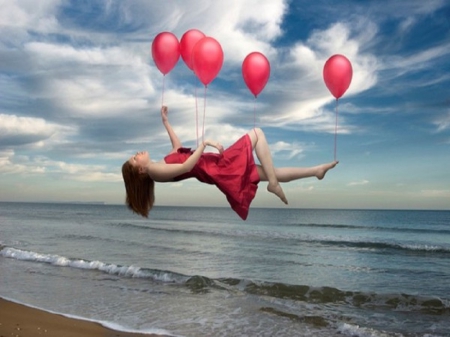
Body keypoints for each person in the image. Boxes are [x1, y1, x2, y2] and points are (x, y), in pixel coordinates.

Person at [122, 106, 338, 220]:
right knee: (257, 133)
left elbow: (178, 148)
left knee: (272, 171)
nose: (138, 153)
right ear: (140, 171)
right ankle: (274, 184)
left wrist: (166, 122)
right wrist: (204, 143)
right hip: (217, 168)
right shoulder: (154, 171)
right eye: (135, 158)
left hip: (216, 166)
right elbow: (187, 166)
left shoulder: (158, 166)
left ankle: (315, 171)